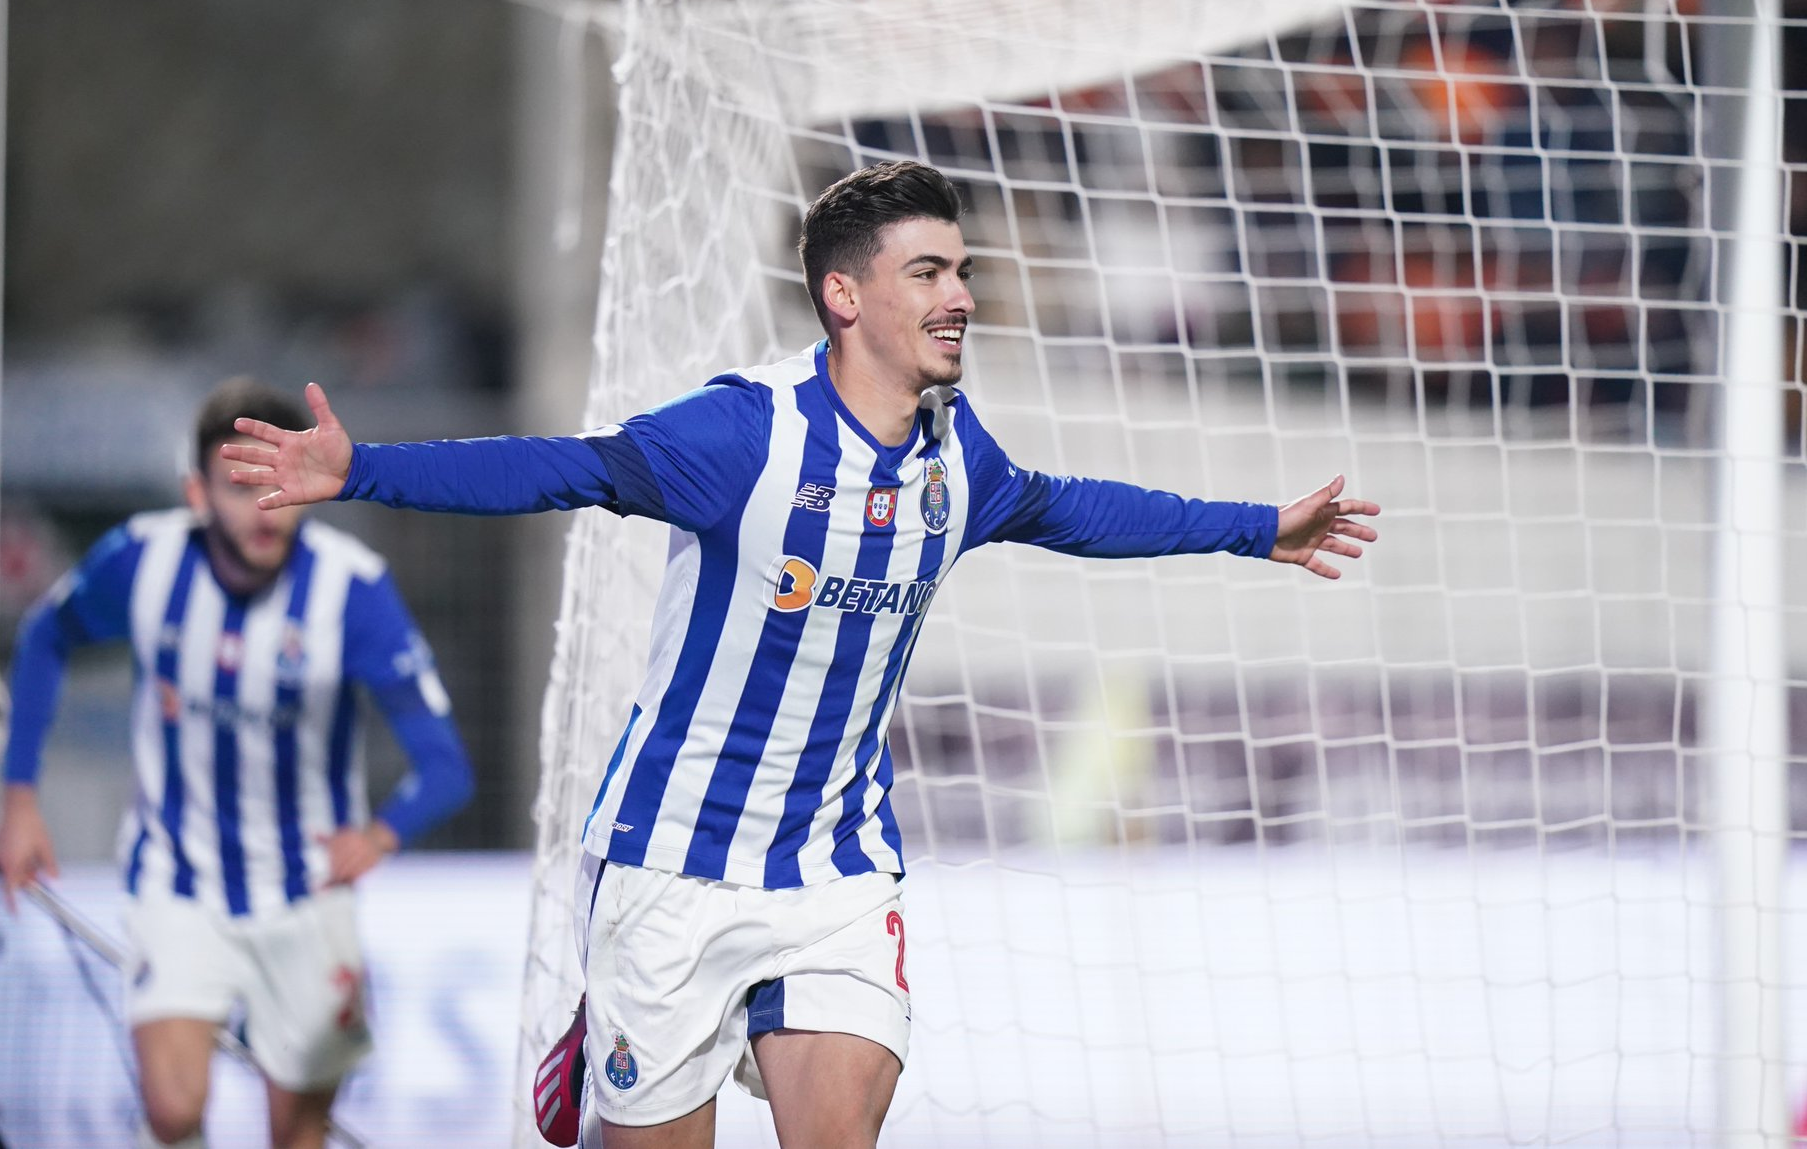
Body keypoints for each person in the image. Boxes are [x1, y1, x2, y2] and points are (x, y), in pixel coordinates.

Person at [224, 162, 1380, 1149]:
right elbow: (556, 468)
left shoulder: (955, 455)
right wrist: (361, 469)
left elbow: (1069, 508)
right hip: (670, 864)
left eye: (961, 271)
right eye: (926, 273)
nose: (959, 297)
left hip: (833, 868)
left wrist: (1254, 529)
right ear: (843, 295)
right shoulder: (741, 435)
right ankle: (594, 1042)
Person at [0, 377, 476, 1149]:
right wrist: (19, 797)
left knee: (297, 1133)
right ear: (196, 492)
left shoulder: (352, 590)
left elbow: (445, 764)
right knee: (173, 1107)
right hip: (177, 880)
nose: (265, 508)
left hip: (307, 895)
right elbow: (46, 634)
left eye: (278, 481)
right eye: (240, 486)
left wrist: (381, 834)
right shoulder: (144, 561)